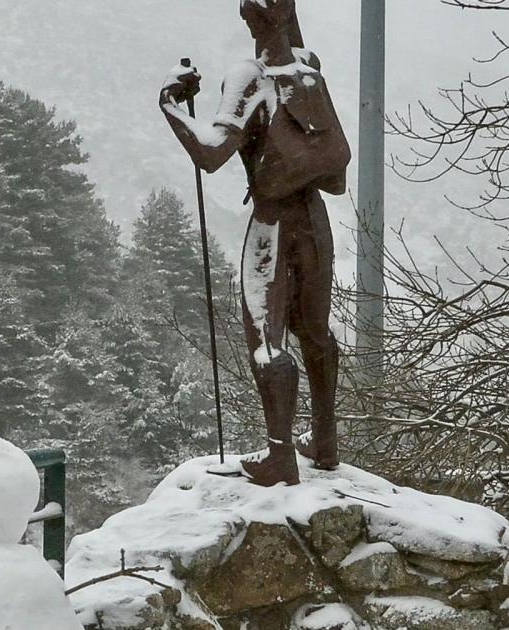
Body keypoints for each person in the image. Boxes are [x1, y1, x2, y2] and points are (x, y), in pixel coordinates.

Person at [158, 0, 350, 485]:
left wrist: (170, 104)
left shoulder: (250, 76)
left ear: (247, 19)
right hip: (315, 217)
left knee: (266, 336)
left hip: (273, 223)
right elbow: (294, 38)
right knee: (316, 331)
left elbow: (210, 152)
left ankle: (280, 456)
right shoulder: (309, 69)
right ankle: (324, 442)